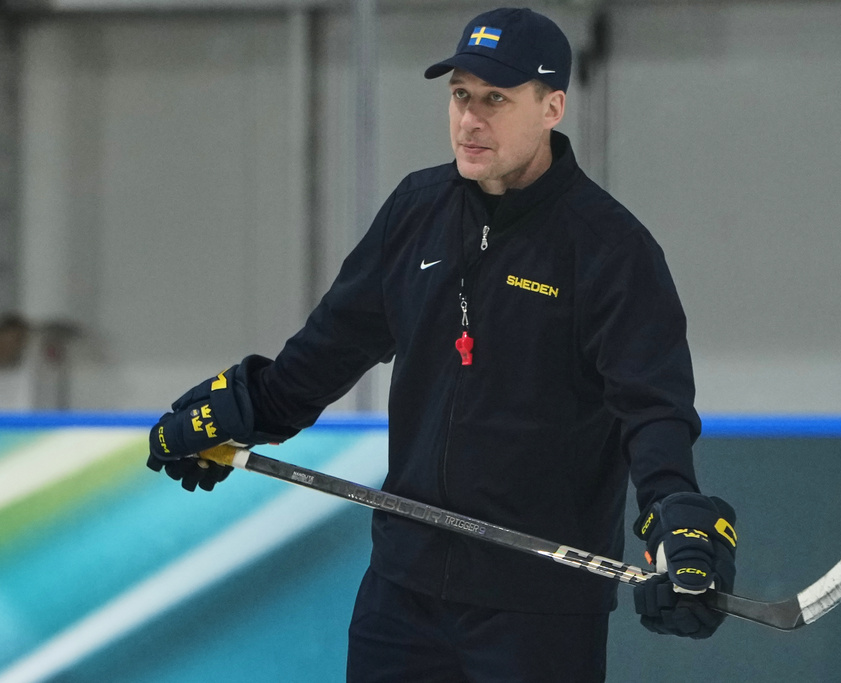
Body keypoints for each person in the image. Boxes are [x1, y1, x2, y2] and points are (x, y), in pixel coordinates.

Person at [147, 7, 737, 682]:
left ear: (552, 107)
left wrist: (673, 513)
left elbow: (653, 407)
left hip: (537, 611)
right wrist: (242, 411)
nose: (469, 119)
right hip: (403, 597)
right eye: (460, 95)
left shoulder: (609, 248)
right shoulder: (416, 209)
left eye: (495, 99)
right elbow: (326, 351)